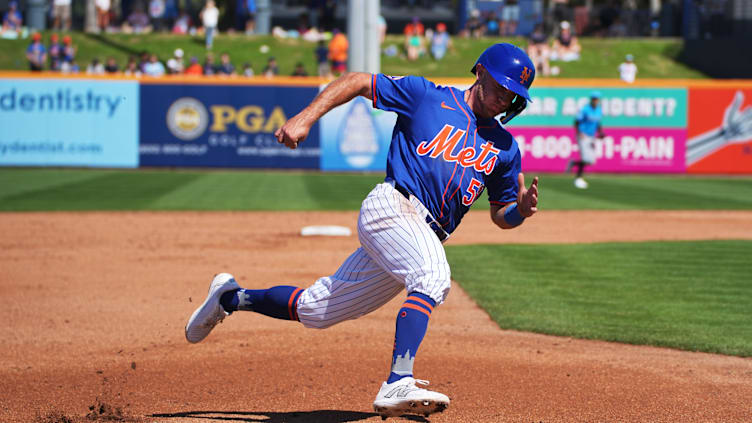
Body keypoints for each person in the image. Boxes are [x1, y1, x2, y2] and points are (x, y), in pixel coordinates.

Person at [184, 42, 539, 420]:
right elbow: (356, 81)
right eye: (500, 87)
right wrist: (305, 118)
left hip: (419, 236)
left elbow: (501, 215)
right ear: (480, 72)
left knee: (317, 310)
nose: (504, 99)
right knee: (433, 276)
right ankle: (398, 379)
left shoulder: (504, 147)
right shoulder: (425, 95)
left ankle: (230, 298)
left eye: (512, 95)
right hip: (393, 206)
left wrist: (520, 210)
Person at [567, 91, 605, 189]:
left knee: (591, 161)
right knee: (585, 159)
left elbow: (598, 123)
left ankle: (574, 163)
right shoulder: (585, 109)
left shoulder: (599, 110)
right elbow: (576, 122)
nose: (595, 101)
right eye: (593, 99)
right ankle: (578, 179)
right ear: (591, 100)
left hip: (591, 136)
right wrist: (580, 133)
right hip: (583, 135)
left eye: (596, 99)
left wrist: (601, 132)